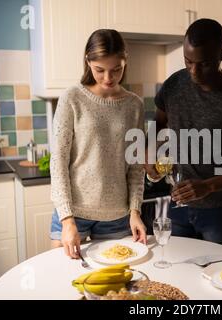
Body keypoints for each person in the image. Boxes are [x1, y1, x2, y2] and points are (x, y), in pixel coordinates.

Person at [145, 19, 222, 248]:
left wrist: (208, 186)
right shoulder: (174, 85)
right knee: (178, 272)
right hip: (177, 205)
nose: (194, 72)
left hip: (217, 212)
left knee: (219, 274)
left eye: (205, 64)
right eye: (188, 62)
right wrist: (150, 152)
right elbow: (159, 123)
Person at [50, 29, 147, 259]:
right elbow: (58, 162)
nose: (108, 78)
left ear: (125, 62)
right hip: (73, 213)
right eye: (99, 70)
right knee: (65, 283)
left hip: (117, 216)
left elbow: (135, 166)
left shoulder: (134, 105)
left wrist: (135, 211)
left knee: (118, 287)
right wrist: (66, 219)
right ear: (88, 62)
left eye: (116, 69)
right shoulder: (72, 98)